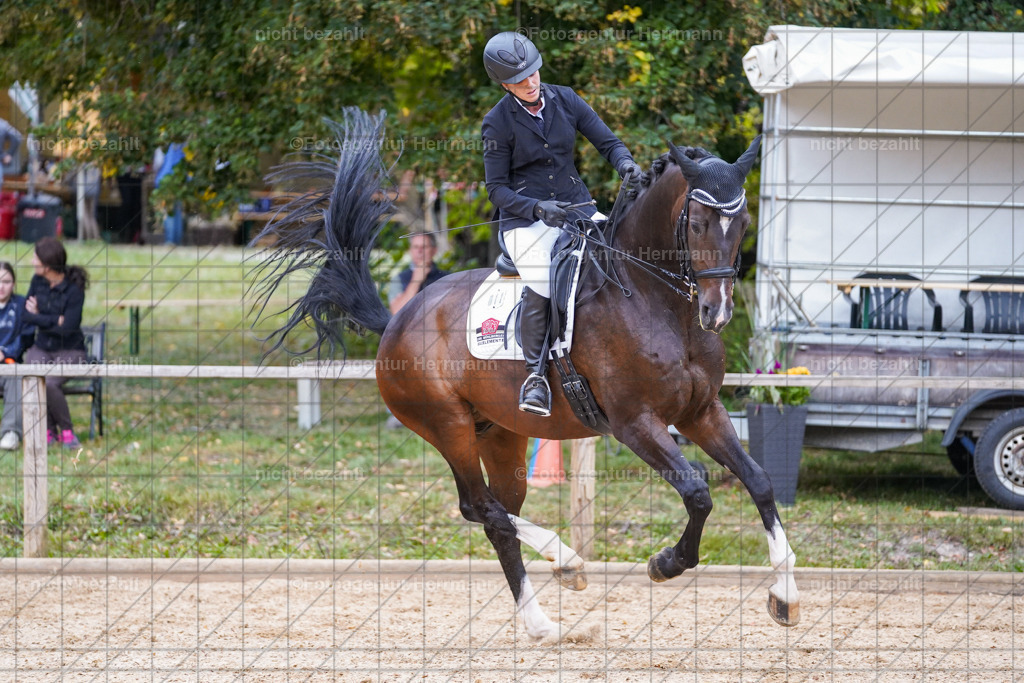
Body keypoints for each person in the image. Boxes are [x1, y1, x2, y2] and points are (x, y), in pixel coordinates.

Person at [481, 31, 642, 416]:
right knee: (542, 278)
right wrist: (536, 208)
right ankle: (535, 377)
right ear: (505, 85)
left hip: (578, 208)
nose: (532, 82)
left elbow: (608, 142)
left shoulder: (565, 98)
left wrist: (626, 165)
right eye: (521, 81)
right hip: (525, 220)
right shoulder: (496, 123)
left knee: (625, 258)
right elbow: (496, 190)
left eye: (534, 74)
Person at [21, 237, 89, 449]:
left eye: (36, 258)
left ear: (48, 266)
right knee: (33, 377)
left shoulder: (74, 290)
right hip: (42, 347)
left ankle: (67, 432)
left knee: (49, 382)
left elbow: (67, 328)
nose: (33, 261)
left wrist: (39, 315)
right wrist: (52, 319)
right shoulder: (37, 281)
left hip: (70, 350)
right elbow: (26, 315)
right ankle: (48, 430)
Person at [387, 231, 449, 314]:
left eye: (424, 247)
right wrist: (416, 281)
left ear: (434, 250)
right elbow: (397, 312)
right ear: (410, 250)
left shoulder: (448, 278)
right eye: (416, 247)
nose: (419, 251)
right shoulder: (399, 279)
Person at [0, 262, 26, 450]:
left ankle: (11, 433)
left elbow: (26, 336)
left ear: (14, 284)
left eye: (6, 281)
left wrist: (6, 353)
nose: (1, 287)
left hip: (9, 364)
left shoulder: (21, 305)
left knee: (15, 374)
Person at [0, 118, 23, 190]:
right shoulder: (2, 124)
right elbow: (17, 137)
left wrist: (8, 155)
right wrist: (9, 154)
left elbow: (18, 137)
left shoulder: (2, 125)